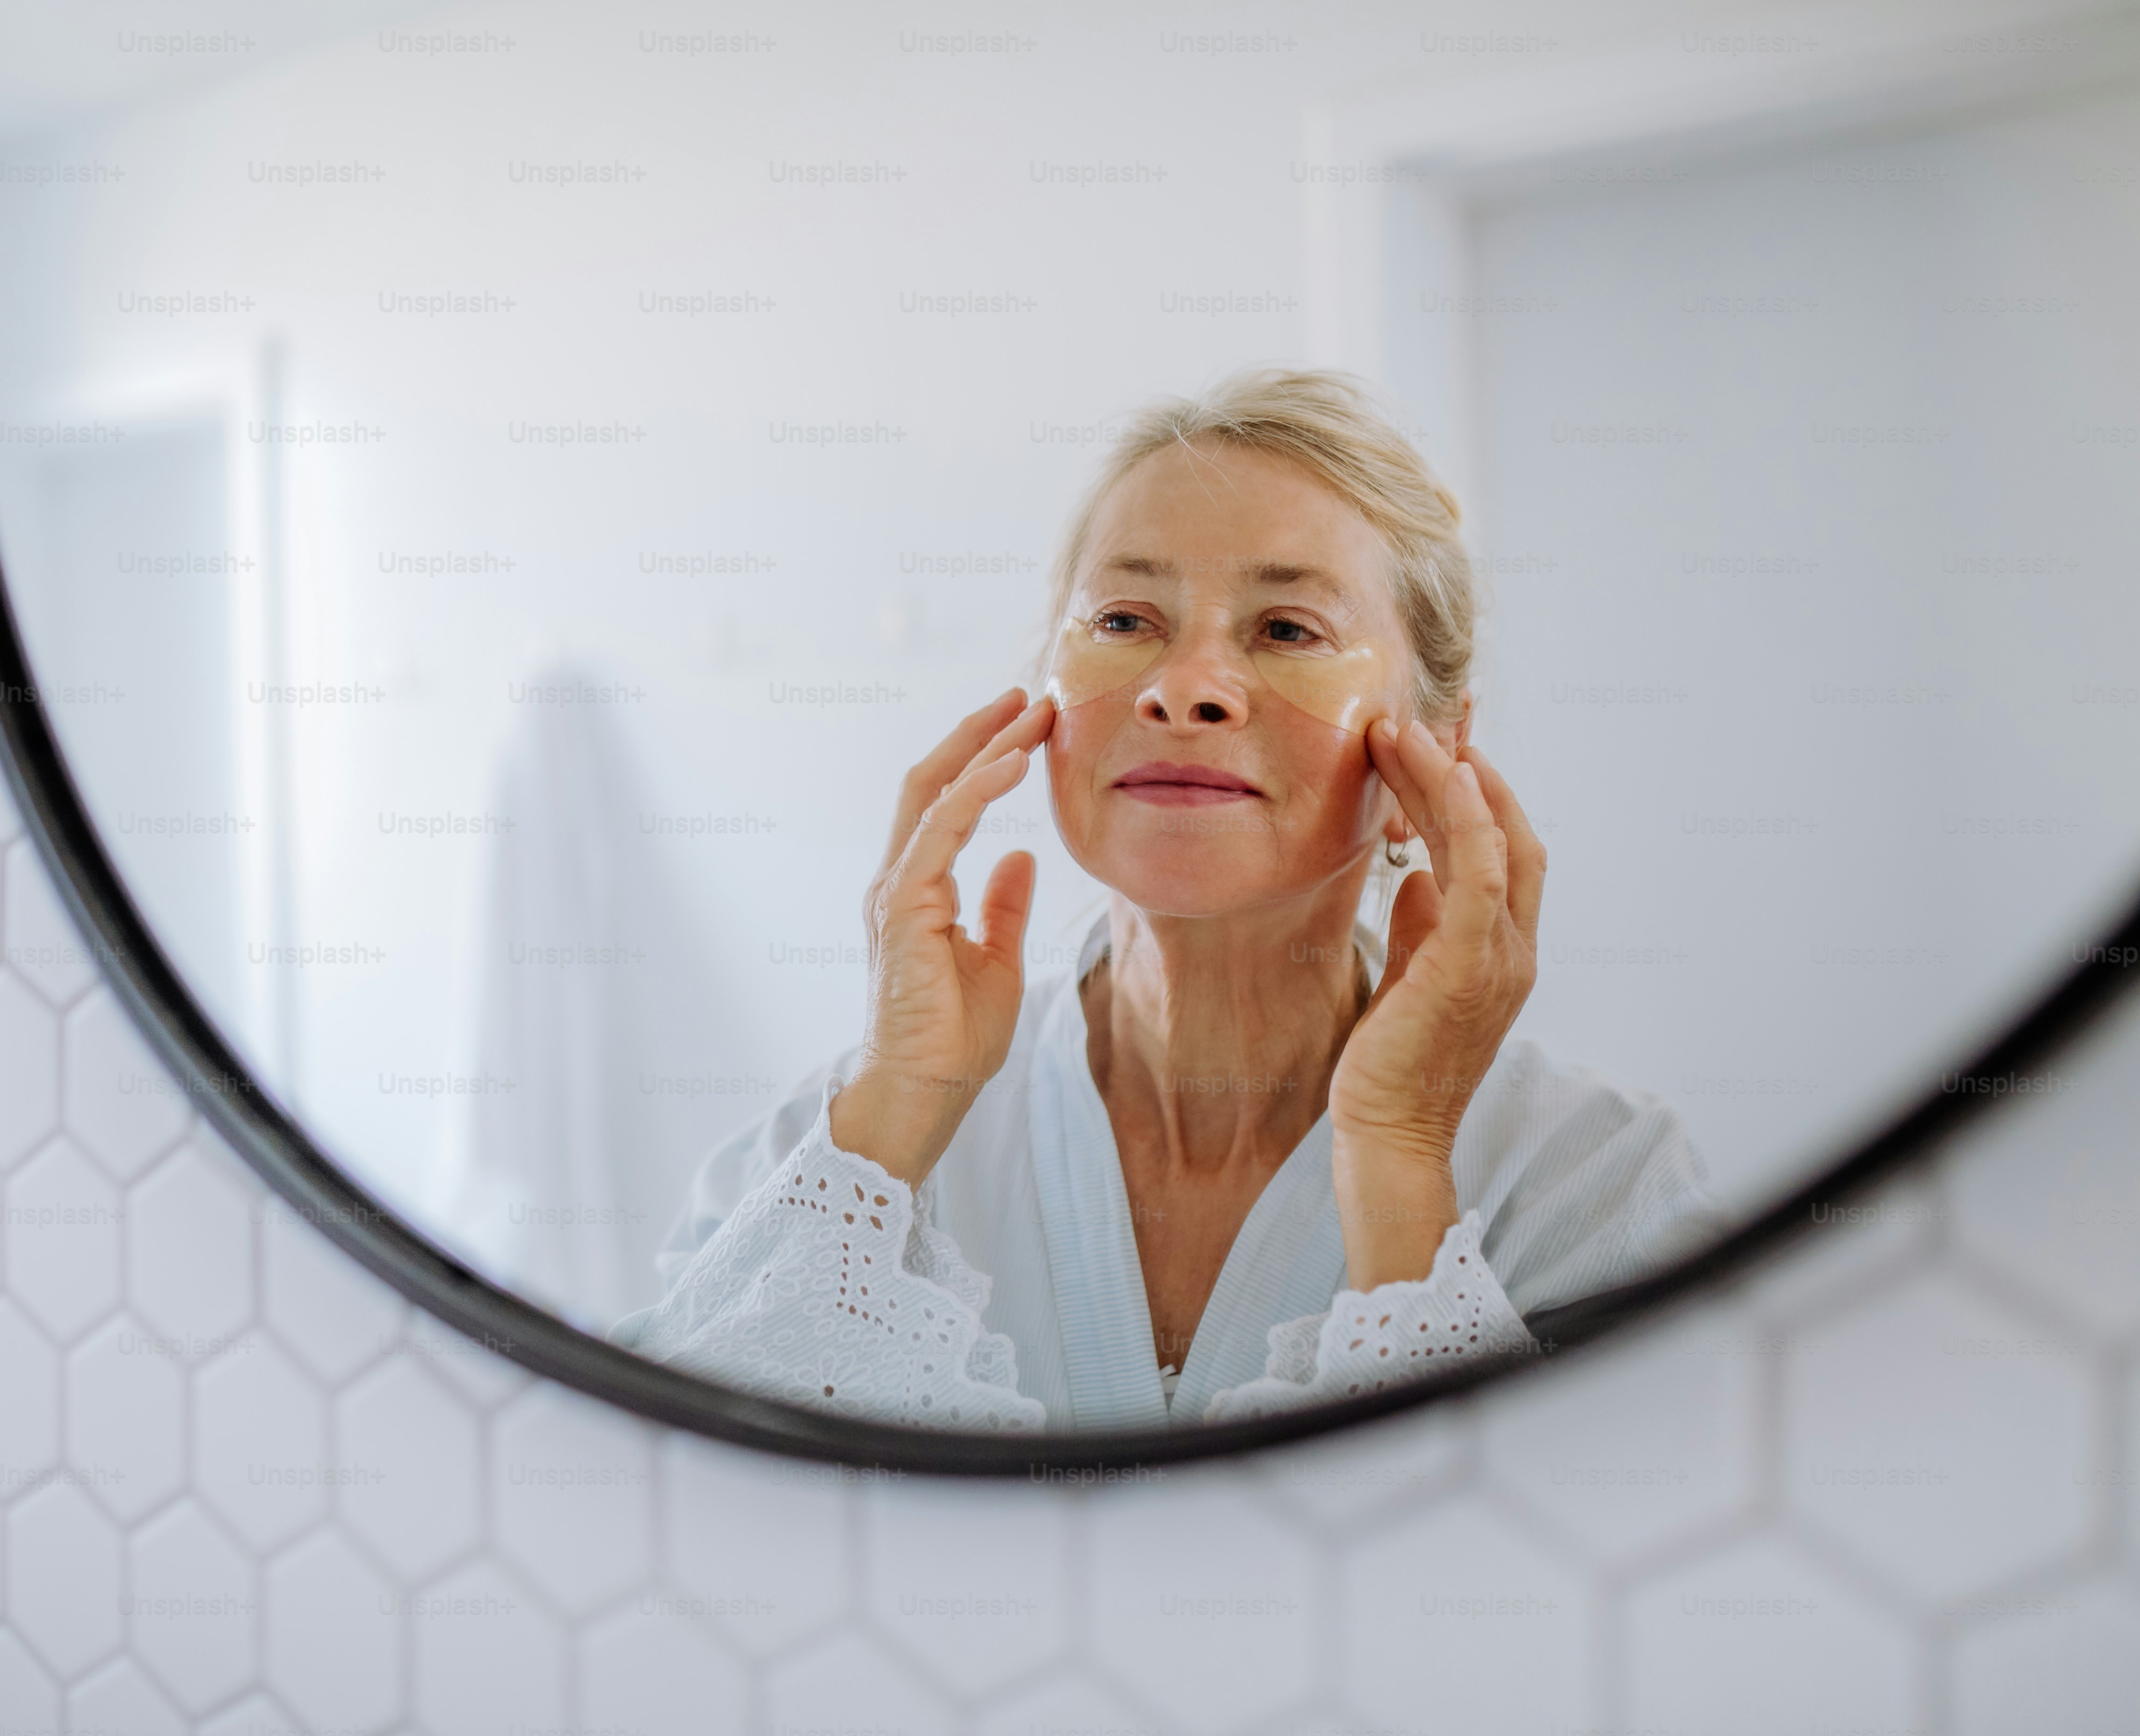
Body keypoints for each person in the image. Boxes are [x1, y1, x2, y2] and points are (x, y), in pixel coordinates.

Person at [612, 369, 1718, 1430]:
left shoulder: (1594, 1177)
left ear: (1434, 749)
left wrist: (1399, 1157)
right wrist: (895, 1107)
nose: (1180, 686)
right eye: (1125, 620)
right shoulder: (840, 1158)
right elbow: (665, 1508)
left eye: (1288, 629)